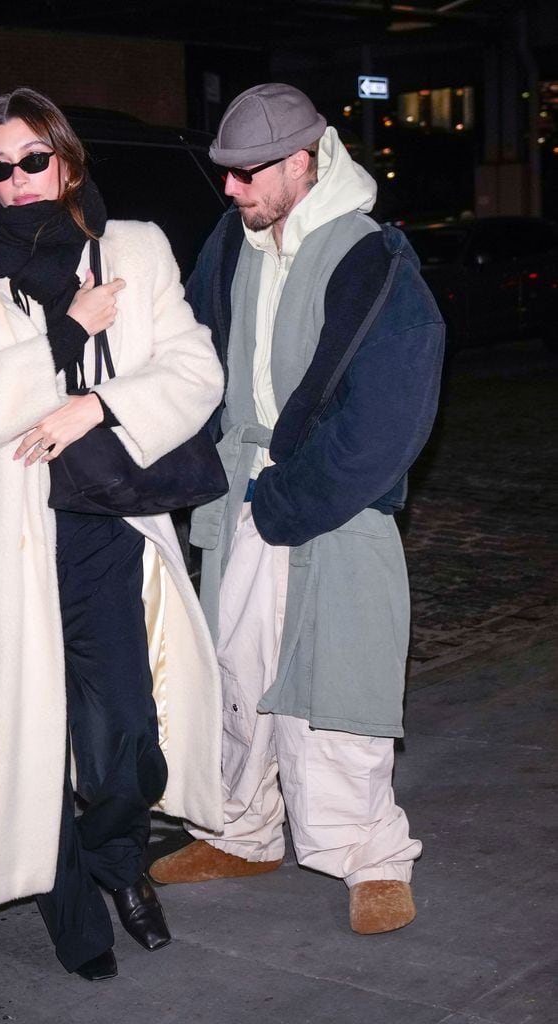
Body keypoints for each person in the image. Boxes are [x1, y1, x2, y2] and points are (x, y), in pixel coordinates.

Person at [0, 87, 225, 980]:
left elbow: (193, 368)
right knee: (27, 732)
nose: (16, 180)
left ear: (66, 158)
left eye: (31, 160)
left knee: (124, 729)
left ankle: (117, 862)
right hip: (4, 539)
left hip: (105, 525)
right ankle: (69, 906)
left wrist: (96, 405)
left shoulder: (134, 248)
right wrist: (61, 332)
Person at [148, 83, 445, 935]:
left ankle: (369, 858)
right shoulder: (235, 240)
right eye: (226, 175)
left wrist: (293, 498)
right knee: (237, 679)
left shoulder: (371, 256)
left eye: (247, 176)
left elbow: (392, 414)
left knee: (334, 687)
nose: (231, 192)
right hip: (240, 496)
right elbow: (197, 349)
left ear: (301, 163)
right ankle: (241, 833)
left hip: (329, 503)